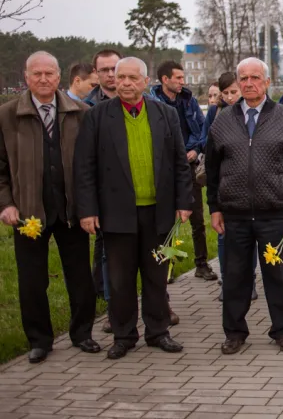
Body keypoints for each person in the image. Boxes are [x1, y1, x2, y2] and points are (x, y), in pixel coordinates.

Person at [74, 57, 192, 360]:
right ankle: (124, 335)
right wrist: (87, 210)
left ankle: (158, 332)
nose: (125, 83)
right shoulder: (97, 116)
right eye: (120, 76)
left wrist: (183, 203)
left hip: (158, 212)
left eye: (132, 77)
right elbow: (84, 168)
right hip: (116, 214)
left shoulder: (165, 114)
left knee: (155, 277)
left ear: (144, 80)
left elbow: (180, 162)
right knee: (120, 279)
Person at [0, 52, 99, 364]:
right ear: (26, 77)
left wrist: (89, 207)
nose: (43, 79)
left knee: (81, 277)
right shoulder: (7, 115)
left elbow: (92, 166)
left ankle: (83, 333)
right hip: (29, 213)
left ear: (59, 78)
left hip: (71, 212)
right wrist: (6, 204)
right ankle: (39, 341)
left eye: (49, 74)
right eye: (36, 74)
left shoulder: (81, 112)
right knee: (31, 280)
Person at [206, 58, 283, 355]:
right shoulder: (222, 121)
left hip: (274, 213)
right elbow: (212, 170)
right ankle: (235, 332)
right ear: (237, 83)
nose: (248, 83)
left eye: (255, 78)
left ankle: (282, 330)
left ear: (266, 82)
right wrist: (214, 207)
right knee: (235, 275)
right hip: (235, 214)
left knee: (276, 274)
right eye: (243, 78)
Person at [150, 61, 217, 282]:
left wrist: (194, 149)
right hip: (162, 168)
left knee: (197, 216)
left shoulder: (189, 100)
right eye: (178, 78)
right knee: (162, 221)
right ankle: (164, 267)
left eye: (182, 77)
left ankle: (201, 264)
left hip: (188, 166)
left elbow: (201, 128)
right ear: (165, 79)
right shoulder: (152, 103)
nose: (183, 81)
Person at [201, 72, 258, 302]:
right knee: (225, 237)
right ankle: (226, 281)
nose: (230, 97)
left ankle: (250, 281)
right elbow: (207, 142)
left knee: (251, 237)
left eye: (234, 91)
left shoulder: (252, 113)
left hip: (251, 187)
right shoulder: (216, 113)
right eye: (226, 93)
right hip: (226, 185)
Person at [83, 49, 122, 326]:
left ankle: (160, 304)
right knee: (110, 257)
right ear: (96, 73)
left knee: (154, 254)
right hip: (107, 196)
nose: (110, 74)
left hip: (143, 195)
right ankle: (114, 310)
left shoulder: (144, 101)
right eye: (104, 70)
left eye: (114, 69)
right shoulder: (86, 108)